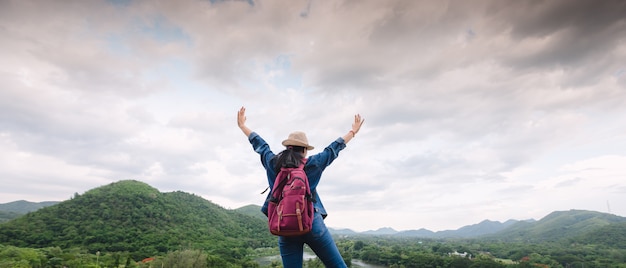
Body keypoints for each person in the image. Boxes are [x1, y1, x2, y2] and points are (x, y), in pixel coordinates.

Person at [237, 106, 364, 268]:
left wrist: (243, 126)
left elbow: (261, 146)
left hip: (284, 225)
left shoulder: (273, 162)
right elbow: (332, 149)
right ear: (304, 150)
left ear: (287, 147)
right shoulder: (313, 164)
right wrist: (352, 132)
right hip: (313, 224)